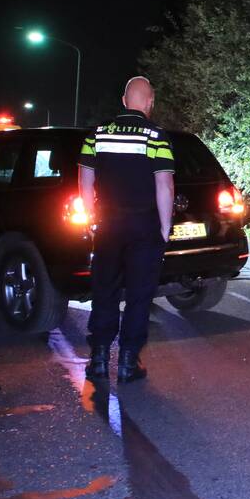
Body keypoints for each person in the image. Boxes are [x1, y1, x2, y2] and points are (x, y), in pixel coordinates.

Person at [79, 76, 174, 383]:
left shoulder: (98, 133)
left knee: (104, 290)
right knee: (139, 294)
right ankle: (129, 363)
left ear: (123, 101)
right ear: (150, 102)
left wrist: (92, 218)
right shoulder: (156, 136)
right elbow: (164, 184)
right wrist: (164, 228)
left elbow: (85, 179)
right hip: (143, 224)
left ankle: (98, 360)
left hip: (107, 223)